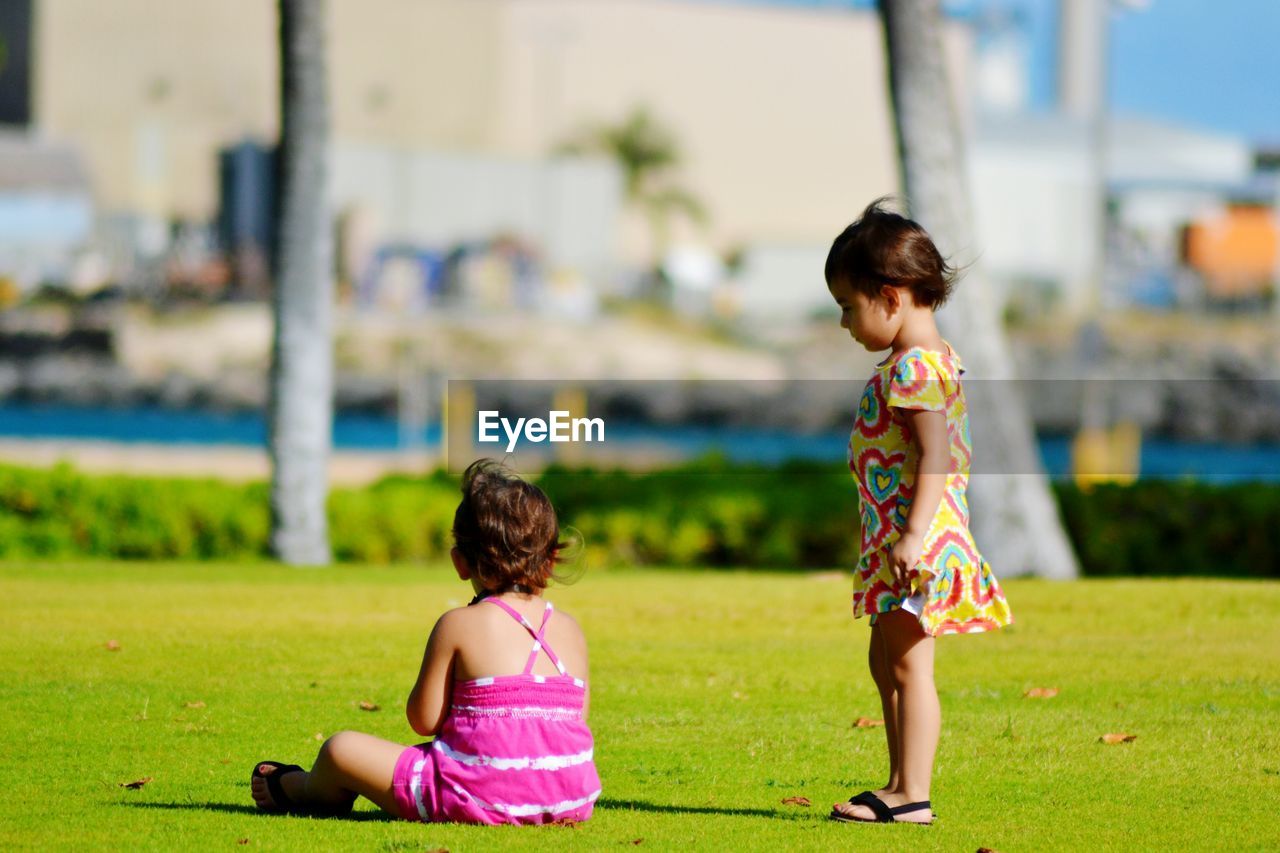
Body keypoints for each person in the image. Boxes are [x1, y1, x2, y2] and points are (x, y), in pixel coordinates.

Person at [250, 459, 601, 825]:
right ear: (551, 559)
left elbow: (424, 718)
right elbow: (573, 722)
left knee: (341, 749)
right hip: (568, 799)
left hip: (472, 794)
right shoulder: (571, 629)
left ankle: (302, 788)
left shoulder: (458, 624)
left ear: (460, 562)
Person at [824, 199, 1013, 825]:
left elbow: (936, 456)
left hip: (918, 542)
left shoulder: (919, 367)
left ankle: (913, 793)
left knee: (909, 664)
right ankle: (899, 781)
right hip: (899, 539)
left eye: (850, 307)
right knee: (886, 661)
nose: (846, 324)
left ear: (890, 297)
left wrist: (911, 535)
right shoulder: (917, 362)